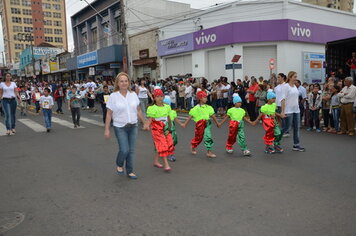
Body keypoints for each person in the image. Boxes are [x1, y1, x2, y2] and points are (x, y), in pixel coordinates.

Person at [104, 72, 145, 180]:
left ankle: (130, 171)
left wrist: (144, 122)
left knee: (131, 150)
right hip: (120, 127)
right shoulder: (113, 96)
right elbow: (109, 113)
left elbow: (138, 110)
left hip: (133, 126)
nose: (124, 83)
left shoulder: (133, 95)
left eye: (126, 81)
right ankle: (119, 163)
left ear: (129, 82)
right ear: (117, 83)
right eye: (121, 81)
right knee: (124, 149)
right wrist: (107, 129)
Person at [182, 91, 219, 158]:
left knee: (208, 137)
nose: (206, 99)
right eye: (205, 97)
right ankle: (193, 145)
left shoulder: (208, 107)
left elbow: (213, 116)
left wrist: (217, 123)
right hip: (199, 125)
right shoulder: (196, 108)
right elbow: (190, 116)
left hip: (207, 123)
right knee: (199, 138)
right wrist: (185, 124)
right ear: (200, 98)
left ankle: (209, 152)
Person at [144, 89, 174, 172]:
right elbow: (150, 119)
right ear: (154, 98)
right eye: (157, 96)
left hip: (165, 127)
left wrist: (170, 127)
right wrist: (146, 125)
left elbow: (169, 118)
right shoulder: (152, 108)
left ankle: (156, 161)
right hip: (156, 129)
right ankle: (166, 164)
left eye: (161, 96)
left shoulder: (167, 107)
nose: (160, 98)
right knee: (162, 144)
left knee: (168, 143)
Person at [280, 71, 305, 152]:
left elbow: (296, 97)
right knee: (287, 127)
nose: (296, 78)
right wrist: (283, 111)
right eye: (294, 76)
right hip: (288, 110)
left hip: (296, 110)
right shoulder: (286, 86)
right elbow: (283, 99)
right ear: (290, 77)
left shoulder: (295, 86)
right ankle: (275, 139)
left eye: (296, 76)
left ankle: (296, 145)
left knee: (296, 128)